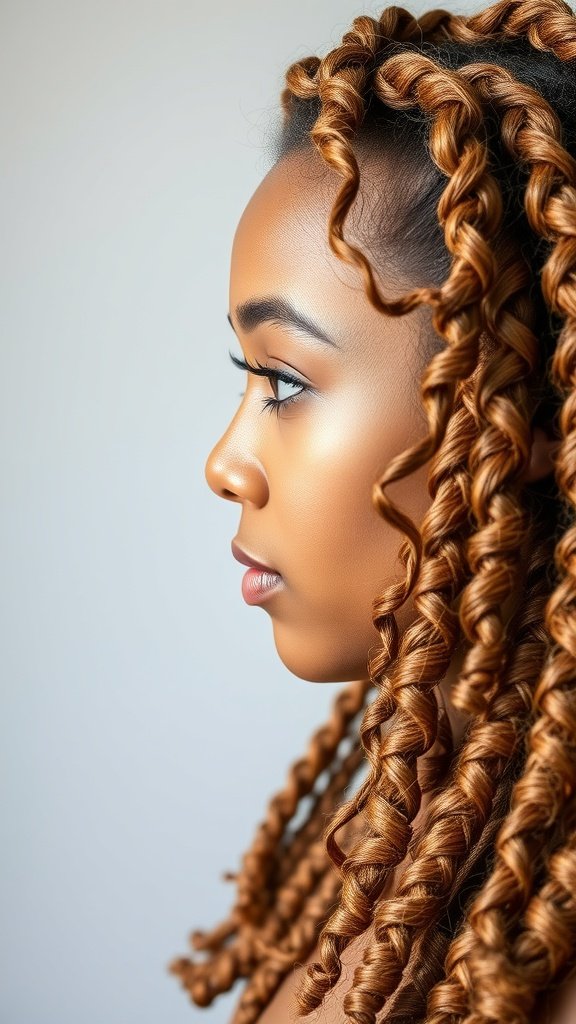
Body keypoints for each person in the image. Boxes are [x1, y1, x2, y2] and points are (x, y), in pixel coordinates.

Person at [168, 0, 576, 1020]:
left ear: (515, 401)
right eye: (242, 373)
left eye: (286, 382)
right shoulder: (408, 826)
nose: (227, 462)